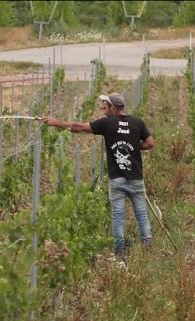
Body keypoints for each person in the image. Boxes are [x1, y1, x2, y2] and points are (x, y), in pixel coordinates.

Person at [43, 93, 154, 257]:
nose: (103, 110)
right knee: (142, 214)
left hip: (117, 179)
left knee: (118, 216)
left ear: (114, 108)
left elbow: (77, 127)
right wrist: (136, 147)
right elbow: (150, 143)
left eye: (105, 106)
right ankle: (148, 247)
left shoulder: (107, 124)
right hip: (136, 178)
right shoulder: (137, 122)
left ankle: (119, 253)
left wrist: (55, 123)